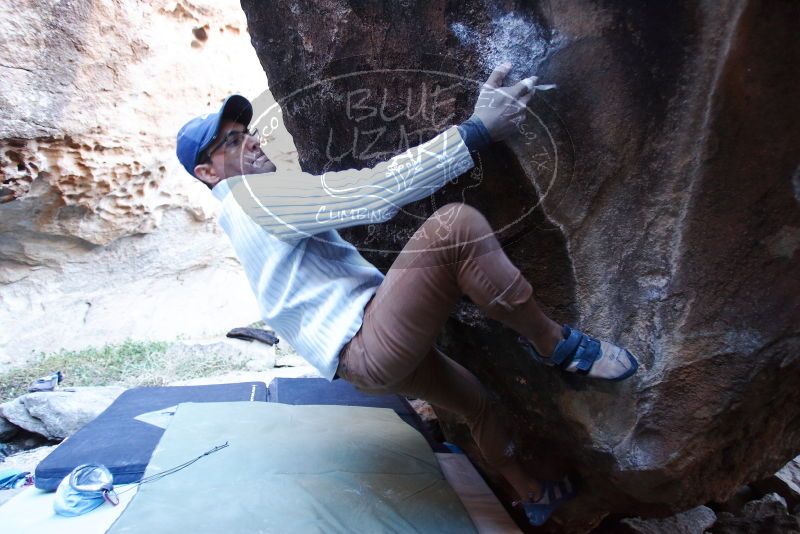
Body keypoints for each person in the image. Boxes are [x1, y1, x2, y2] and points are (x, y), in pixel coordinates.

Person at [175, 62, 638, 527]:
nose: (252, 141)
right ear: (207, 172)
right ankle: (559, 346)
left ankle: (532, 493)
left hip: (361, 363)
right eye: (231, 142)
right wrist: (477, 131)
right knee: (454, 226)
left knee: (478, 404)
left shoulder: (241, 215)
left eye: (247, 131)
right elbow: (372, 195)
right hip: (370, 343)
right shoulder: (252, 199)